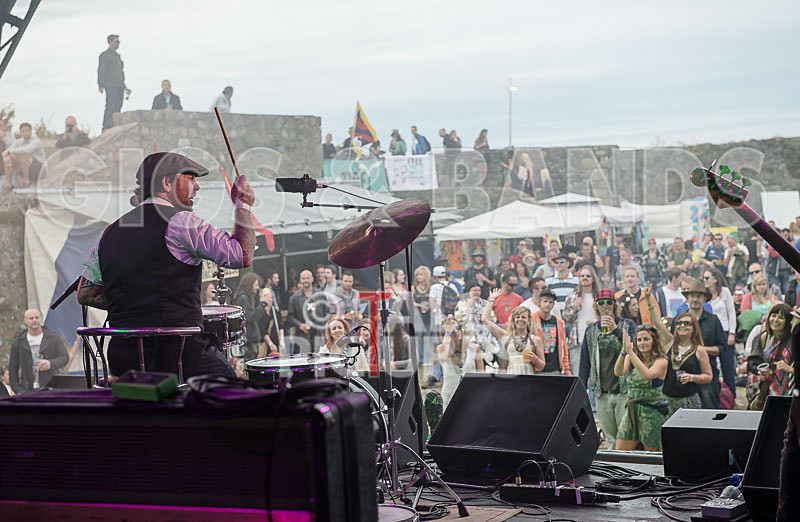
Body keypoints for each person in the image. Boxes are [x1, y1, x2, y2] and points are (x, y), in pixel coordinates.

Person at [77, 152, 255, 379]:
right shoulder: (181, 221)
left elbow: (85, 292)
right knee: (234, 395)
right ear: (166, 182)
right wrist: (243, 206)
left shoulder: (109, 232)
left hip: (124, 361)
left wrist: (135, 303)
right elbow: (240, 255)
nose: (197, 187)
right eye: (190, 179)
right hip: (178, 357)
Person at [579, 289, 637, 449]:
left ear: (614, 305)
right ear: (596, 306)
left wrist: (616, 330)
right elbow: (585, 363)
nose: (605, 306)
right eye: (601, 302)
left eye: (609, 302)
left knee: (625, 437)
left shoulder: (627, 325)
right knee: (610, 438)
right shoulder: (591, 330)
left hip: (623, 390)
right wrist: (581, 390)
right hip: (601, 392)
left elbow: (633, 350)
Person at [614, 325, 669, 451]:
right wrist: (624, 351)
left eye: (646, 339)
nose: (642, 343)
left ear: (653, 341)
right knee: (620, 452)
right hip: (632, 412)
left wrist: (631, 352)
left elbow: (647, 375)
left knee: (651, 455)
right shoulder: (631, 357)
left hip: (652, 412)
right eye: (639, 340)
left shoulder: (661, 361)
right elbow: (618, 372)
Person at [649, 309, 713, 417]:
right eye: (679, 323)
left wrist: (691, 377)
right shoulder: (670, 343)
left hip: (689, 401)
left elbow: (708, 376)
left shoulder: (699, 350)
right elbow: (657, 322)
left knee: (688, 433)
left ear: (694, 328)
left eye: (687, 323)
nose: (682, 326)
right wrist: (647, 299)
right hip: (668, 400)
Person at [483, 290, 545, 375]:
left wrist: (535, 359)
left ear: (528, 320)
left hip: (528, 378)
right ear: (513, 320)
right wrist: (491, 300)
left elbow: (541, 366)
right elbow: (485, 320)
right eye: (517, 317)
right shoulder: (506, 336)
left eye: (523, 317)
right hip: (510, 380)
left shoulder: (535, 339)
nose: (520, 319)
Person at [8, 309, 69, 393]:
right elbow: (13, 367)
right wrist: (17, 389)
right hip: (27, 389)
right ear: (25, 321)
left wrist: (50, 363)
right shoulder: (18, 341)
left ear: (41, 319)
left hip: (50, 386)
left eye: (37, 317)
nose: (34, 320)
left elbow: (65, 358)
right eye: (31, 318)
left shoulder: (53, 337)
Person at [746, 303, 794, 410]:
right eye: (773, 315)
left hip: (789, 392)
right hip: (765, 391)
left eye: (781, 317)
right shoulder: (764, 338)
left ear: (788, 321)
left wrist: (790, 369)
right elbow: (752, 363)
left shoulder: (795, 341)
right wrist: (760, 371)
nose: (775, 320)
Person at [705, 268, 738, 398]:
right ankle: (715, 395)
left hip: (724, 332)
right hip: (710, 334)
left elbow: (731, 313)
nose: (705, 281)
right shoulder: (705, 295)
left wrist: (732, 332)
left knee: (728, 367)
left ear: (715, 279)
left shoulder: (725, 292)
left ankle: (732, 397)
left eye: (707, 278)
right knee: (711, 367)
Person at [438, 315, 483, 408]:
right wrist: (447, 333)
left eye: (458, 328)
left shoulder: (474, 348)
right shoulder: (442, 348)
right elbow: (442, 357)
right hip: (449, 396)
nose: (456, 332)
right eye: (452, 330)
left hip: (471, 395)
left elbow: (481, 374)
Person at [455, 280, 501, 368]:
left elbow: (493, 319)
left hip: (486, 340)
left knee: (489, 367)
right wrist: (469, 307)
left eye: (478, 290)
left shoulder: (485, 303)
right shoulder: (462, 303)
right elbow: (459, 320)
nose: (477, 292)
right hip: (470, 340)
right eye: (474, 290)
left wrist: (485, 318)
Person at [563, 265, 600, 372]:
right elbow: (566, 318)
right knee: (578, 378)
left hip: (596, 342)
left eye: (588, 276)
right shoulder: (572, 296)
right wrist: (574, 308)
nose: (584, 278)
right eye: (582, 275)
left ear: (593, 278)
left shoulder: (599, 296)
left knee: (596, 379)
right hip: (577, 343)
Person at [286, 269, 330, 353]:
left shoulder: (320, 294)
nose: (305, 280)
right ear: (300, 280)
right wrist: (300, 325)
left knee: (320, 360)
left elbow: (327, 312)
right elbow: (290, 317)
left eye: (307, 278)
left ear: (312, 279)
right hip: (303, 336)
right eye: (303, 278)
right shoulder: (294, 298)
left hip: (319, 335)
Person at [530, 288, 571, 375]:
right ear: (539, 303)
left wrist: (566, 369)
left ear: (553, 305)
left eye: (550, 302)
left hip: (555, 369)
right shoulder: (531, 320)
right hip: (537, 369)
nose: (547, 304)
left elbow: (563, 347)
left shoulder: (559, 322)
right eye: (545, 301)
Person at [2, 122, 46, 194]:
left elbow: (27, 150)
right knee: (7, 158)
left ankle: (26, 181)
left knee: (22, 155)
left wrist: (9, 152)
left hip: (39, 169)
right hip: (24, 167)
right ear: (20, 132)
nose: (25, 133)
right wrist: (6, 155)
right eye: (23, 131)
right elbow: (8, 150)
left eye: (27, 131)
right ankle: (9, 185)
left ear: (31, 131)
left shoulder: (36, 141)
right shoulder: (19, 141)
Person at [97, 34, 127, 131]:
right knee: (111, 104)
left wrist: (124, 85)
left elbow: (120, 71)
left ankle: (115, 124)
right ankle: (107, 125)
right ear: (110, 42)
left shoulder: (117, 56)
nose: (118, 44)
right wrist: (101, 85)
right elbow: (101, 70)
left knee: (118, 104)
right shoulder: (105, 55)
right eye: (116, 42)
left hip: (119, 85)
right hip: (110, 84)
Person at [233, 273, 263, 360]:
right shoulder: (243, 298)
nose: (257, 288)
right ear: (250, 285)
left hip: (248, 339)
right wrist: (262, 305)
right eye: (256, 285)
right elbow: (250, 316)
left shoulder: (244, 297)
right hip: (248, 340)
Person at [412, 266, 432, 371]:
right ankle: (419, 359)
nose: (419, 277)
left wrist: (430, 305)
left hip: (428, 315)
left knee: (427, 337)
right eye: (418, 275)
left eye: (421, 274)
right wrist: (420, 306)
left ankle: (426, 359)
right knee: (418, 338)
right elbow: (410, 302)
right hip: (417, 316)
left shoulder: (430, 287)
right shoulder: (413, 288)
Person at [258, 287, 285, 357]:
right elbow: (263, 330)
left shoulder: (274, 311)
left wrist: (282, 340)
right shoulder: (260, 312)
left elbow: (280, 326)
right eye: (268, 298)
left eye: (271, 298)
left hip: (276, 341)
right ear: (262, 299)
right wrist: (270, 344)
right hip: (266, 343)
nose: (271, 300)